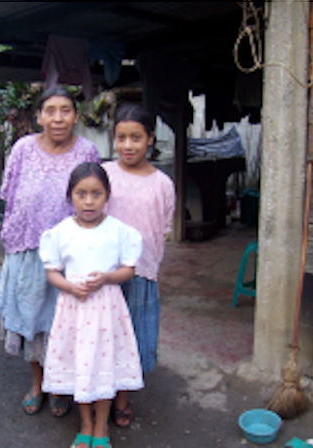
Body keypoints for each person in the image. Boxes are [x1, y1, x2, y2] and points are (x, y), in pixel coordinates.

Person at [0, 86, 100, 417]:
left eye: (66, 110)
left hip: (71, 256)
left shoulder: (87, 151)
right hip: (28, 252)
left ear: (76, 116)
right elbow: (10, 197)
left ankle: (61, 387)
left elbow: (94, 197)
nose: (58, 118)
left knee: (64, 325)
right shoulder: (23, 149)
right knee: (33, 323)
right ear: (39, 116)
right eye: (50, 110)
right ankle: (38, 384)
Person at [39, 162, 144, 448]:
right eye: (81, 193)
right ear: (70, 196)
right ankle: (85, 425)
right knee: (80, 368)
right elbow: (52, 273)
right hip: (74, 310)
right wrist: (70, 286)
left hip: (107, 311)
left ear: (107, 195)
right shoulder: (59, 233)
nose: (88, 201)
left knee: (104, 364)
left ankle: (101, 428)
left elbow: (129, 270)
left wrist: (108, 277)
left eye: (96, 194)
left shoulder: (119, 232)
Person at [102, 103, 176, 427]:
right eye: (121, 137)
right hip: (104, 272)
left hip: (142, 272)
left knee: (131, 335)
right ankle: (93, 393)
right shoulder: (104, 173)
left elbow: (161, 229)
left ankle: (122, 398)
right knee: (103, 335)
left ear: (150, 139)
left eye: (136, 137)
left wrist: (150, 265)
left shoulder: (163, 184)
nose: (128, 145)